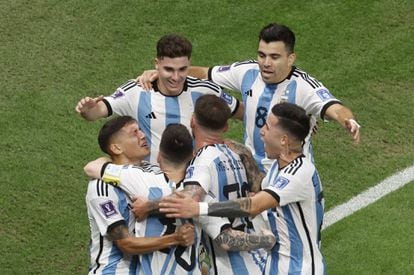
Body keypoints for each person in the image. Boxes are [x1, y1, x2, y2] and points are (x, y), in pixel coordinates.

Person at [137, 23, 361, 173]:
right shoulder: (247, 72)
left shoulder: (303, 86)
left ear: (290, 58)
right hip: (252, 172)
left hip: (288, 172)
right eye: (262, 55)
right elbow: (205, 72)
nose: (266, 63)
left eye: (274, 57)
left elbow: (333, 107)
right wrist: (163, 74)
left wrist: (348, 121)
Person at [159, 102, 326, 275]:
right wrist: (241, 150)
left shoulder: (299, 173)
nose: (261, 132)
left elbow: (254, 205)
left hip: (299, 270)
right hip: (276, 266)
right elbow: (263, 188)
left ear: (284, 140)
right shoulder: (279, 168)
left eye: (267, 128)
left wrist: (198, 207)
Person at [132, 95, 274, 274]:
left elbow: (189, 199)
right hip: (261, 261)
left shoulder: (201, 163)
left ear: (192, 121)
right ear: (225, 127)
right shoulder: (240, 152)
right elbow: (261, 190)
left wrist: (148, 206)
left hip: (232, 267)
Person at [76, 34, 243, 164]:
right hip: (150, 185)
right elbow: (97, 112)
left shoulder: (205, 90)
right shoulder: (137, 91)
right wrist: (88, 109)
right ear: (156, 64)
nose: (176, 77)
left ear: (189, 63)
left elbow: (242, 112)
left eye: (182, 69)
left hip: (196, 184)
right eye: (169, 69)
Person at [85, 116, 195, 274]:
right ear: (116, 148)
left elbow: (186, 195)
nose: (142, 135)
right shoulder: (102, 187)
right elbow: (125, 244)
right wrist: (175, 239)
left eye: (140, 130)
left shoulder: (155, 172)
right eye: (134, 133)